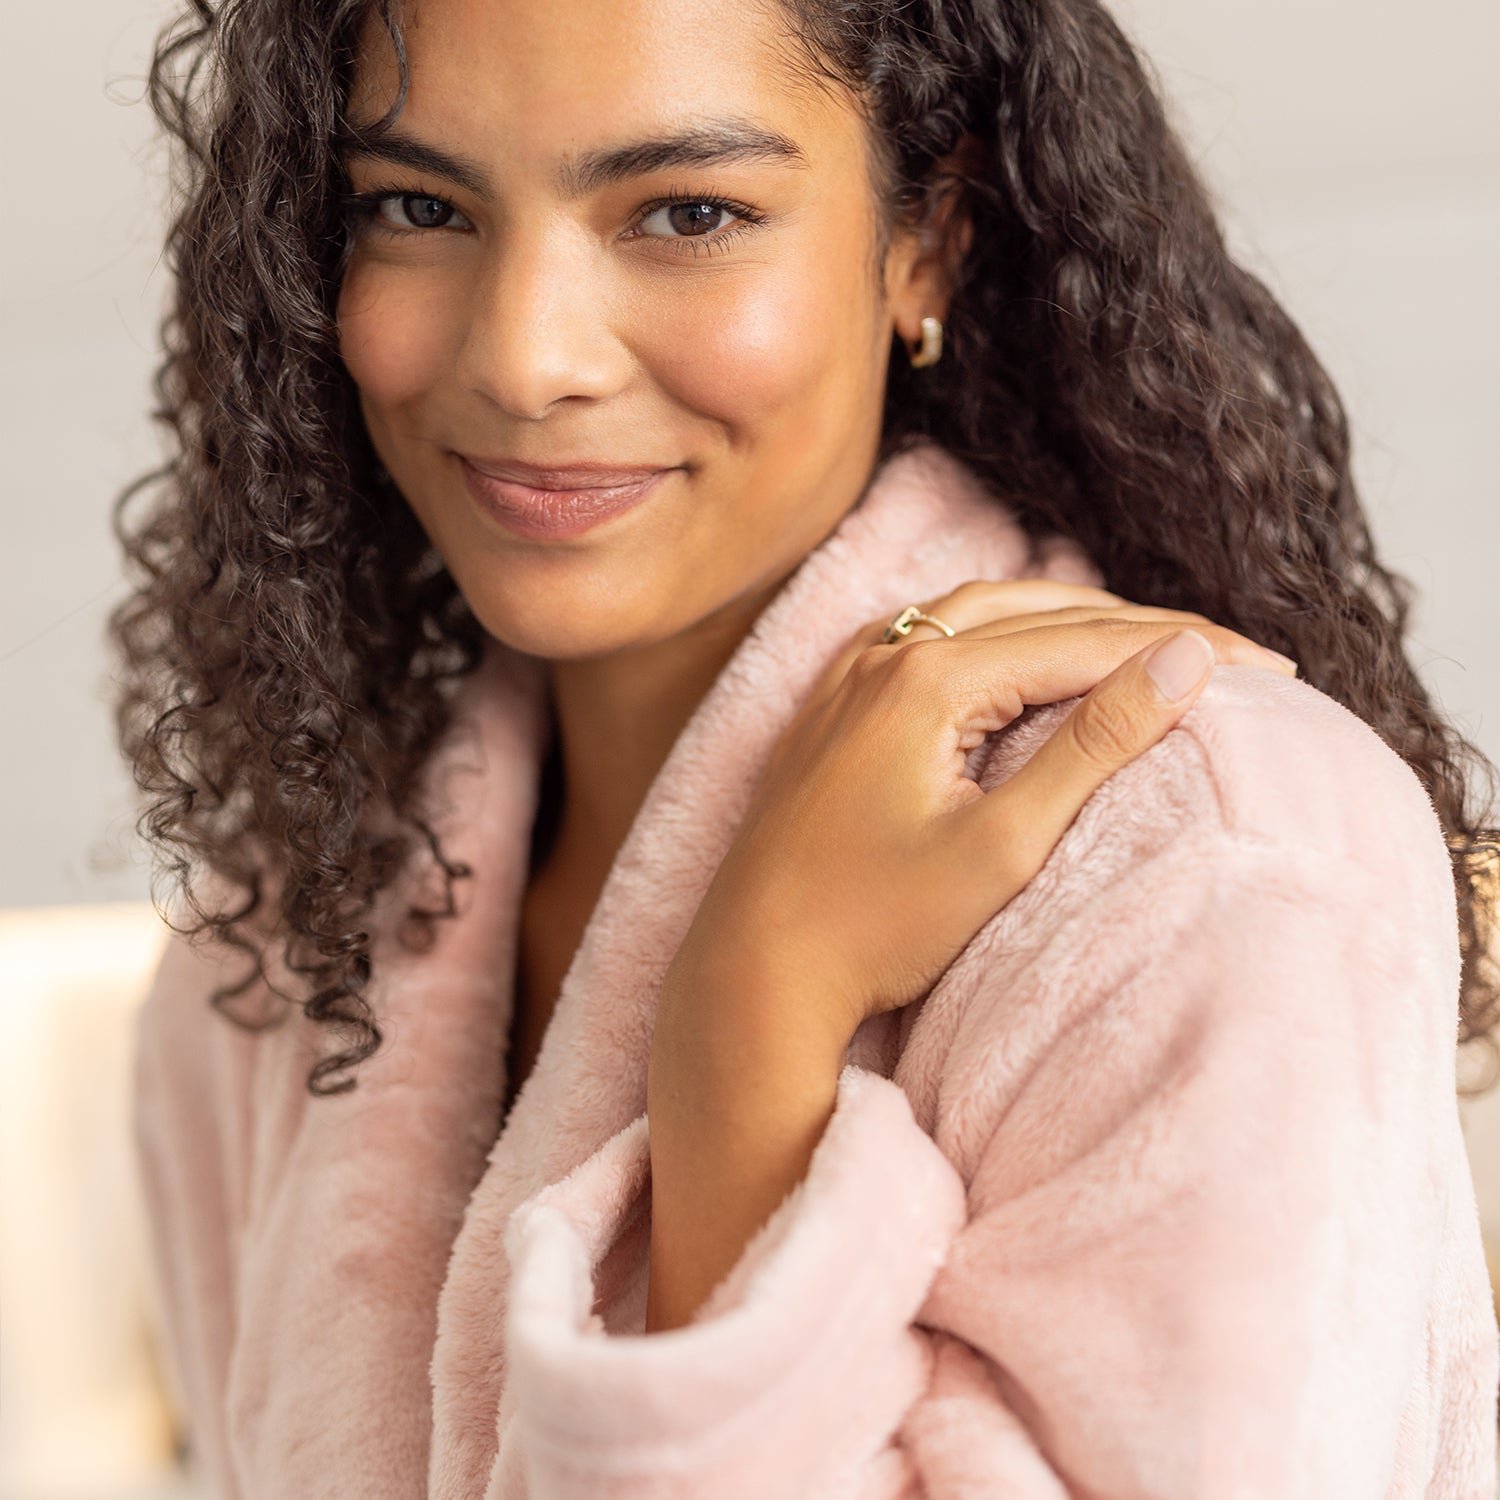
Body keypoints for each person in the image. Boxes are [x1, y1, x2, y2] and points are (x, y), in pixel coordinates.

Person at [114, 0, 1500, 1494]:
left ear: (928, 243)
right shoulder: (266, 971)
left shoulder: (1208, 849)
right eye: (416, 206)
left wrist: (751, 1027)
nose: (525, 358)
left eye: (688, 211)